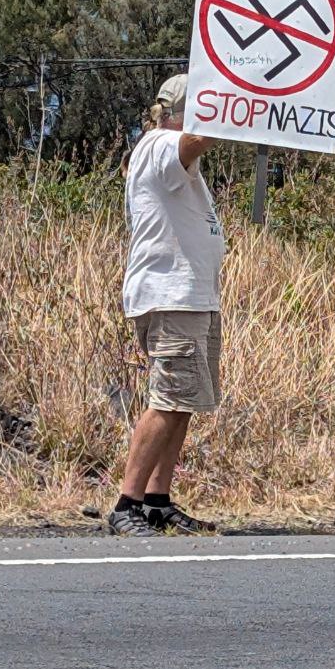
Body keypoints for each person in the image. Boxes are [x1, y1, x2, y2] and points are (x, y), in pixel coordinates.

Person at [109, 74, 225, 537]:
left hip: (191, 297)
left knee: (182, 402)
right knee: (166, 400)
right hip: (172, 296)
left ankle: (157, 501)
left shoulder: (165, 150)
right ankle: (126, 504)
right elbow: (196, 139)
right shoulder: (160, 144)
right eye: (206, 106)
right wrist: (242, 107)